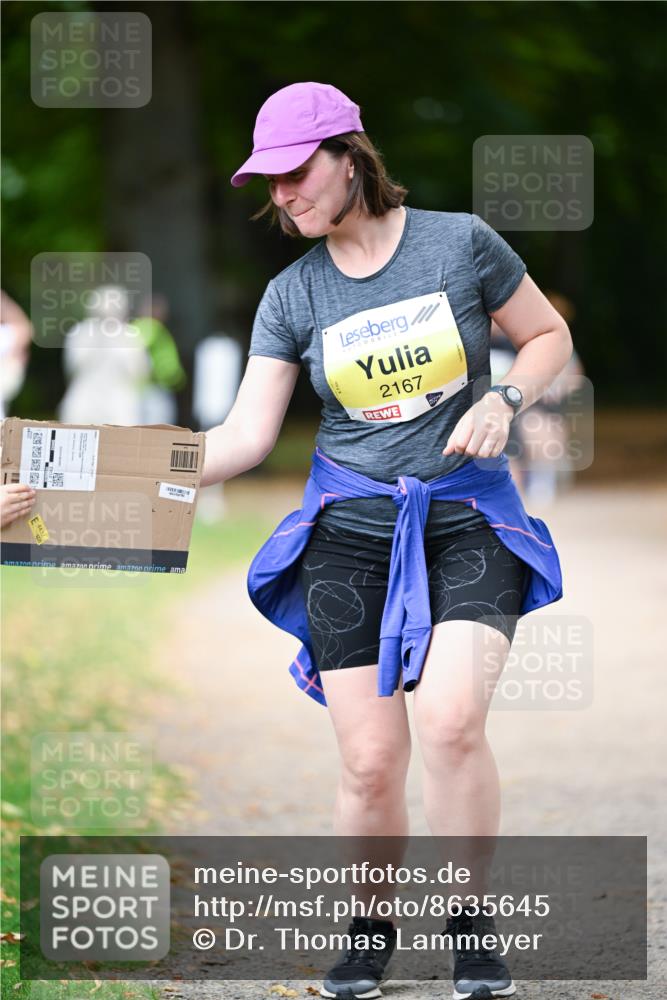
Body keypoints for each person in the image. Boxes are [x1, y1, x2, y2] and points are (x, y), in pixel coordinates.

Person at [201, 82, 572, 1000]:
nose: (281, 195)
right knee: (369, 762)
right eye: (269, 181)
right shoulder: (293, 295)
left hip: (469, 520)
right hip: (349, 534)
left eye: (294, 174)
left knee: (450, 724)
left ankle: (471, 928)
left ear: (348, 156)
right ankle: (368, 930)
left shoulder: (459, 243)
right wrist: (85, 475)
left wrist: (503, 398)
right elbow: (243, 438)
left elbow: (545, 334)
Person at [58, 284, 151, 426]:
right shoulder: (81, 333)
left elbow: (139, 372)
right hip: (84, 400)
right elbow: (73, 367)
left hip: (119, 404)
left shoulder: (130, 336)